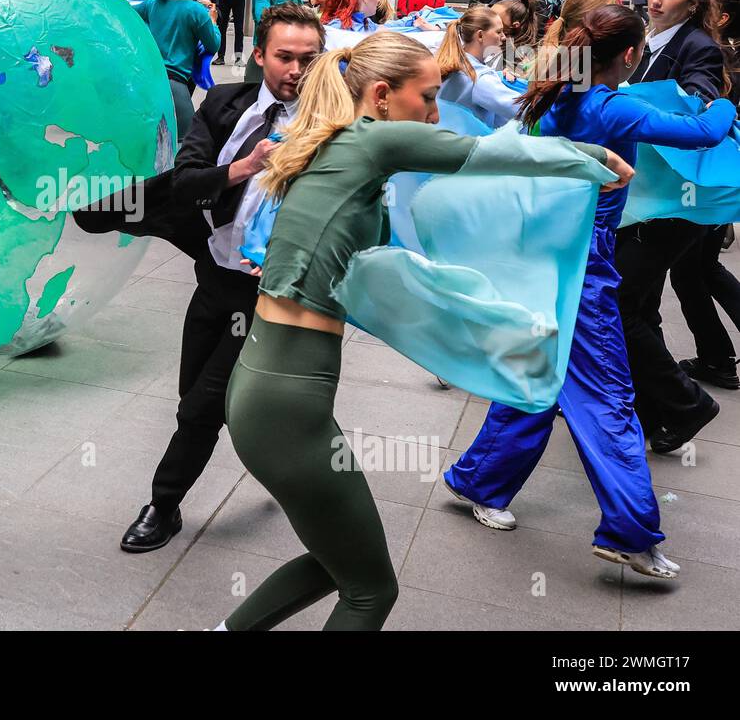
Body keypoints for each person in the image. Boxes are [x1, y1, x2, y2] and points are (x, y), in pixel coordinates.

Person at [216, 32, 631, 631]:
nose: (435, 114)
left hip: (268, 392)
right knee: (371, 591)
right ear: (382, 96)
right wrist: (595, 160)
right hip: (285, 407)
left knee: (342, 566)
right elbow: (492, 153)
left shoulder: (335, 147)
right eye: (429, 97)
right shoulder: (372, 140)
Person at [446, 6, 733, 579]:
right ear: (629, 56)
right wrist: (725, 96)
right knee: (606, 396)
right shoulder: (611, 105)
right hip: (583, 265)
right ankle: (629, 532)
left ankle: (479, 480)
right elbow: (704, 133)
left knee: (539, 374)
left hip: (543, 255)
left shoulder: (551, 95)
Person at [72, 5, 323, 554]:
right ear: (259, 56)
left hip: (271, 298)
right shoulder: (227, 104)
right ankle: (286, 463)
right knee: (202, 396)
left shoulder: (333, 124)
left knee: (201, 407)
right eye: (284, 57)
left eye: (309, 58)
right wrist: (245, 166)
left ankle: (162, 506)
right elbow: (185, 184)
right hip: (214, 278)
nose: (297, 70)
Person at [616, 0, 729, 454]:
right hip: (644, 195)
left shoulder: (698, 46)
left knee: (620, 305)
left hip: (673, 201)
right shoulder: (646, 40)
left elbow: (699, 101)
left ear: (695, 2)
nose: (656, 0)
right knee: (638, 303)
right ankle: (651, 410)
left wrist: (625, 106)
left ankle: (687, 404)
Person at [668, 0, 740, 389]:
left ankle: (717, 360)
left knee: (697, 270)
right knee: (695, 271)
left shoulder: (710, 54)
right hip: (711, 178)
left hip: (707, 176)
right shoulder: (718, 51)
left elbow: (707, 119)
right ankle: (717, 358)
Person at [132, 0, 220, 137]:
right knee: (184, 148)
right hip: (176, 89)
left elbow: (127, 14)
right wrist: (213, 21)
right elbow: (213, 44)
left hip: (149, 83)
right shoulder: (195, 11)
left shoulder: (152, 5)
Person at [435, 7, 516, 128]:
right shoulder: (481, 79)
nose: (503, 37)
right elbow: (520, 110)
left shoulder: (450, 62)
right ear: (480, 36)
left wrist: (498, 76)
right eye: (498, 32)